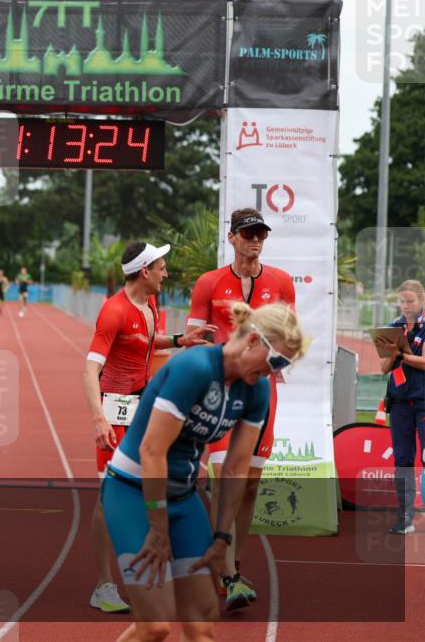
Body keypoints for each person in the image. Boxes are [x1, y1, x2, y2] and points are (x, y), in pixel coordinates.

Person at [102, 303, 305, 641]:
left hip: (182, 498)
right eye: (277, 361)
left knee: (202, 628)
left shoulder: (257, 389)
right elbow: (152, 450)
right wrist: (157, 526)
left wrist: (222, 537)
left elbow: (237, 467)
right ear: (253, 340)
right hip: (134, 494)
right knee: (155, 625)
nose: (274, 372)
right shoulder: (194, 368)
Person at [85, 242, 214, 613]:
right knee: (109, 497)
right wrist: (98, 418)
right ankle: (103, 585)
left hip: (143, 405)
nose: (166, 273)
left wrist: (178, 341)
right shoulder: (113, 311)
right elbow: (90, 369)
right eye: (162, 267)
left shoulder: (151, 305)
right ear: (145, 272)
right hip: (113, 408)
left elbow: (143, 342)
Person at [186, 207, 295, 608]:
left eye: (261, 234)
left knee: (249, 486)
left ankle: (233, 562)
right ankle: (229, 575)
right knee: (225, 482)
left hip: (263, 393)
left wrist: (276, 364)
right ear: (231, 237)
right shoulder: (209, 283)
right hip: (220, 390)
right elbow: (194, 336)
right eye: (248, 233)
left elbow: (290, 337)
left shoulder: (281, 281)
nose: (255, 239)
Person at [375, 279, 425, 535]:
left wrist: (401, 354)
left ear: (422, 300)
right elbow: (384, 368)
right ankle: (405, 517)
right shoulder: (393, 327)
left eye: (411, 301)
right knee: (403, 460)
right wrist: (391, 353)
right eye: (402, 301)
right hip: (400, 404)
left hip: (423, 402)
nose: (406, 306)